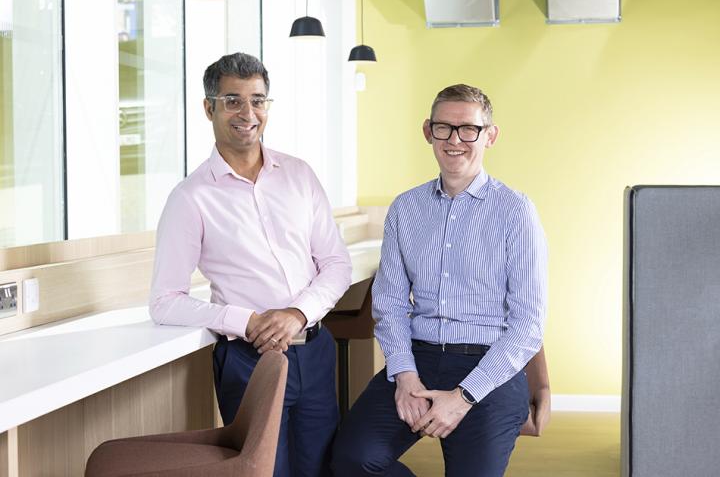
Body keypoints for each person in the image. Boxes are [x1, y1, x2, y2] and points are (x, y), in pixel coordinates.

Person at [149, 52, 352, 477]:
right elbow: (165, 301)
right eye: (232, 100)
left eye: (258, 100)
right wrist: (248, 320)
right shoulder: (190, 198)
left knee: (321, 466)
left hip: (314, 351)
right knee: (264, 470)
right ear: (209, 108)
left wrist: (297, 313)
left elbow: (335, 264)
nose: (248, 113)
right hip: (247, 361)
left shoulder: (300, 175)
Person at [331, 84, 548, 477]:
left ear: (490, 135)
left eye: (469, 129)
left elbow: (527, 326)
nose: (455, 140)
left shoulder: (516, 212)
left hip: (489, 367)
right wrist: (406, 377)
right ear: (428, 131)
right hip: (420, 358)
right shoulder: (405, 208)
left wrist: (464, 396)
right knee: (352, 460)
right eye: (444, 128)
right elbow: (391, 305)